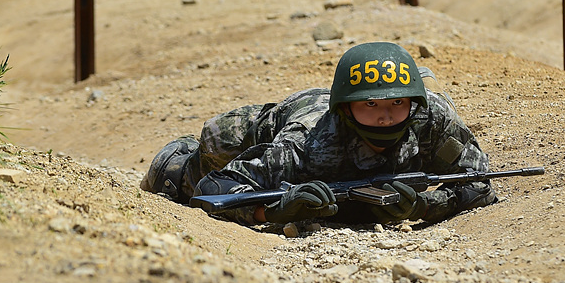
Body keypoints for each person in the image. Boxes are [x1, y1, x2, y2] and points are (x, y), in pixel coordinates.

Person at [141, 42, 498, 227]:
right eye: (370, 105)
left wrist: (427, 205)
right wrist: (276, 211)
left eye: (398, 102)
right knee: (218, 141)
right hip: (276, 122)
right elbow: (214, 190)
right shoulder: (304, 142)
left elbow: (480, 182)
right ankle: (176, 162)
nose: (387, 115)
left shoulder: (430, 117)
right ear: (346, 108)